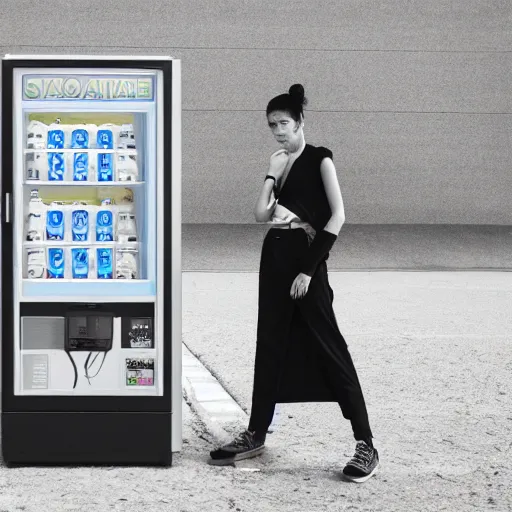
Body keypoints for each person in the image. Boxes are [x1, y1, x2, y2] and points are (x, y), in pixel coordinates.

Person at [208, 84, 379, 483]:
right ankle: (256, 433)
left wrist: (308, 269)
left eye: (284, 123)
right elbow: (259, 214)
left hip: (306, 257)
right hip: (275, 255)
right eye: (272, 126)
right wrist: (271, 171)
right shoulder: (281, 162)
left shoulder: (321, 159)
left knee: (329, 345)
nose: (278, 131)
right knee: (269, 343)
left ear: (300, 121)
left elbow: (337, 216)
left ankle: (366, 444)